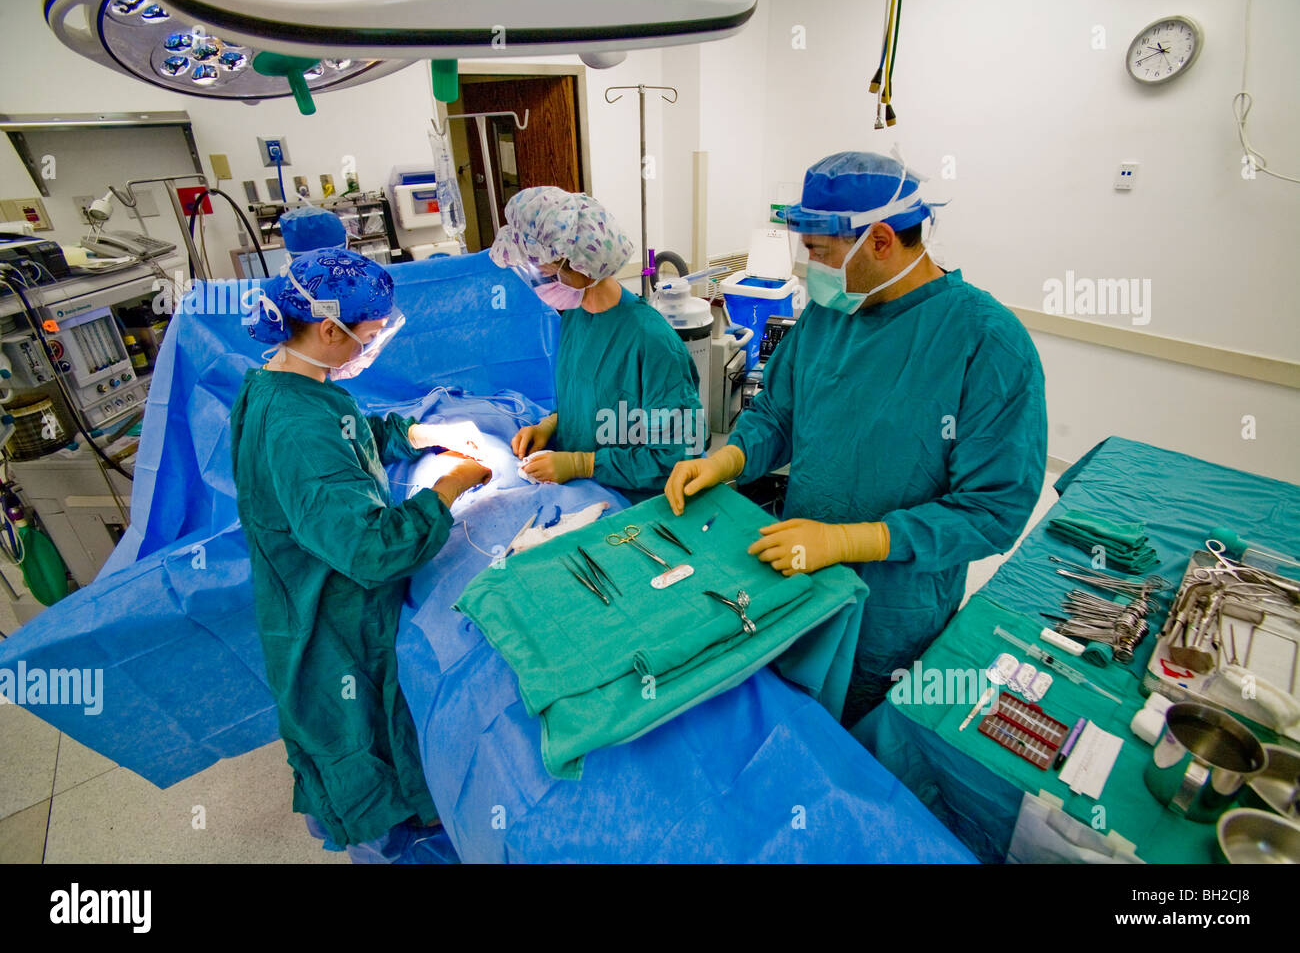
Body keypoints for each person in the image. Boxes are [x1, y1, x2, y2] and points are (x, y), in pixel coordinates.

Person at [665, 151, 1047, 728]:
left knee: (859, 747)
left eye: (818, 252)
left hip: (891, 615)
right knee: (787, 720)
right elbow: (777, 414)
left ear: (882, 240)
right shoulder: (830, 313)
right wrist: (727, 460)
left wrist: (850, 541)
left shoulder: (987, 344)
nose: (807, 266)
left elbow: (992, 512)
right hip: (797, 577)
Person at [231, 247, 490, 851]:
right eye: (368, 336)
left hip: (326, 603)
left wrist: (419, 434)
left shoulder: (289, 384)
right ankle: (394, 829)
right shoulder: (293, 428)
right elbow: (371, 548)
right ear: (328, 328)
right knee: (359, 736)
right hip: (330, 625)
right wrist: (449, 487)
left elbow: (349, 435)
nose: (372, 348)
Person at [489, 186, 703, 503]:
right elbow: (595, 403)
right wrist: (550, 426)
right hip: (582, 492)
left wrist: (583, 464)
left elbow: (676, 456)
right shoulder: (575, 315)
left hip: (635, 504)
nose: (535, 278)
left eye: (542, 269)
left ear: (578, 265)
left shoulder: (654, 344)